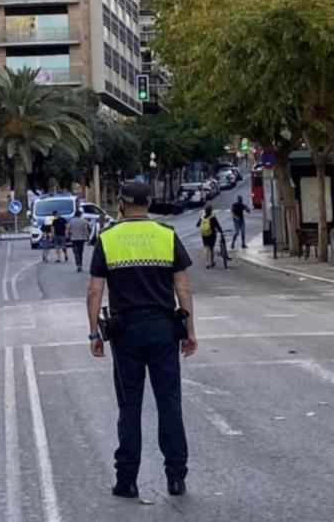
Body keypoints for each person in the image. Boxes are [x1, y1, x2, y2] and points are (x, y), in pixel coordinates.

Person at [87, 181, 196, 499]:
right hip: (164, 329)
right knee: (169, 404)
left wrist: (95, 333)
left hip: (126, 333)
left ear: (120, 203)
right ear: (149, 203)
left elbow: (95, 290)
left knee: (130, 407)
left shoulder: (108, 239)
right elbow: (183, 287)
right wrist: (190, 332)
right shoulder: (166, 235)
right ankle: (176, 478)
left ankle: (127, 480)